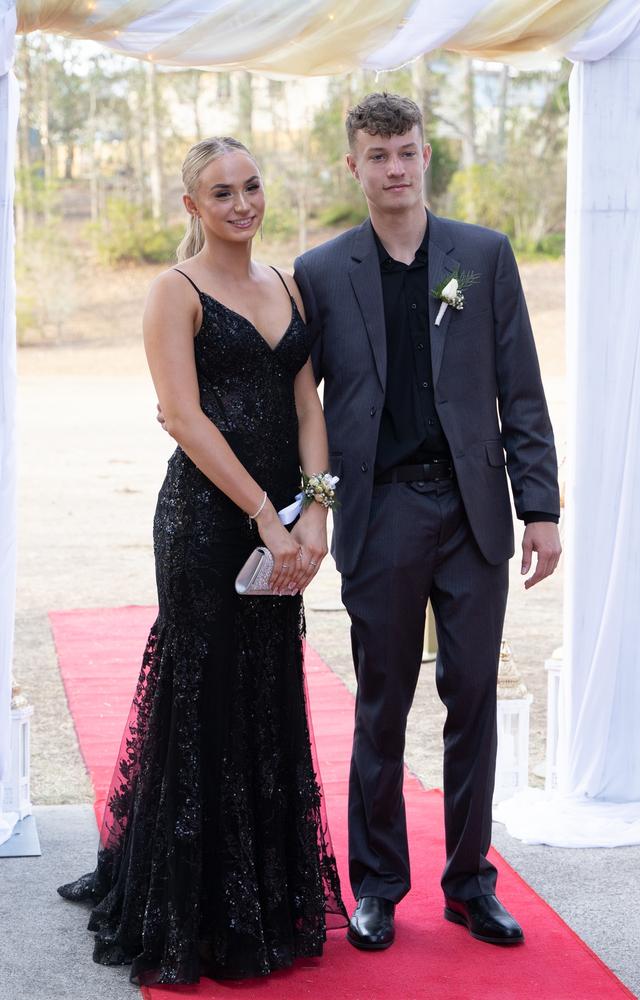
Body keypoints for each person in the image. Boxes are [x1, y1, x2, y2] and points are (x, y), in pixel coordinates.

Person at [57, 135, 347, 986]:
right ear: (192, 206)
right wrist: (265, 516)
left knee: (266, 689)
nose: (242, 204)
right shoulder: (172, 291)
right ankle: (189, 905)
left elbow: (307, 406)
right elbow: (182, 416)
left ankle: (261, 893)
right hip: (206, 525)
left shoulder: (286, 284)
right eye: (221, 193)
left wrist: (318, 510)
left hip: (286, 527)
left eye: (252, 186)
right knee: (203, 693)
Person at [293, 93, 562, 951]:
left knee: (473, 699)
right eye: (378, 157)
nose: (396, 168)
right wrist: (306, 507)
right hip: (381, 510)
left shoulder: (483, 255)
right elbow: (297, 401)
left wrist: (542, 506)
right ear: (354, 167)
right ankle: (377, 887)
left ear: (426, 154)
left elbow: (519, 386)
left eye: (407, 151)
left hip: (474, 509)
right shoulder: (322, 271)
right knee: (381, 704)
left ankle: (470, 884)